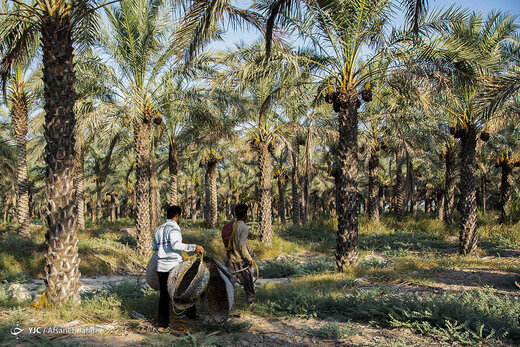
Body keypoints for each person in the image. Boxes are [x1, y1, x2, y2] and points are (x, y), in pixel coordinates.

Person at [152, 205, 204, 328]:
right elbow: (176, 245)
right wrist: (193, 247)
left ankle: (162, 323)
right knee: (186, 289)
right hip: (173, 267)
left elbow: (154, 247)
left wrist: (163, 248)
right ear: (177, 216)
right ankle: (191, 315)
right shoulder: (174, 228)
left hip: (161, 267)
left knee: (164, 296)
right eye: (179, 216)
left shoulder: (159, 229)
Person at [226, 204, 256, 304]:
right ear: (245, 215)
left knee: (229, 285)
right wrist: (250, 259)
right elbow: (242, 247)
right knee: (249, 282)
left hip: (231, 260)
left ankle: (227, 304)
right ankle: (250, 302)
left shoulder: (232, 225)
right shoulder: (244, 228)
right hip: (240, 262)